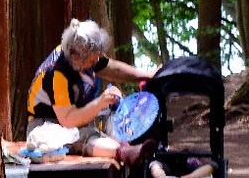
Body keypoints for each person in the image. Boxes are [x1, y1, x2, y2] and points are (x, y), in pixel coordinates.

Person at [26, 19, 155, 166]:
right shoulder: (56, 73)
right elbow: (68, 120)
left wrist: (148, 75)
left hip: (76, 116)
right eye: (92, 61)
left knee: (113, 114)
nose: (97, 61)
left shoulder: (87, 54)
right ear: (75, 57)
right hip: (47, 125)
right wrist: (99, 103)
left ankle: (128, 144)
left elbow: (114, 69)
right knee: (79, 136)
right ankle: (124, 152)